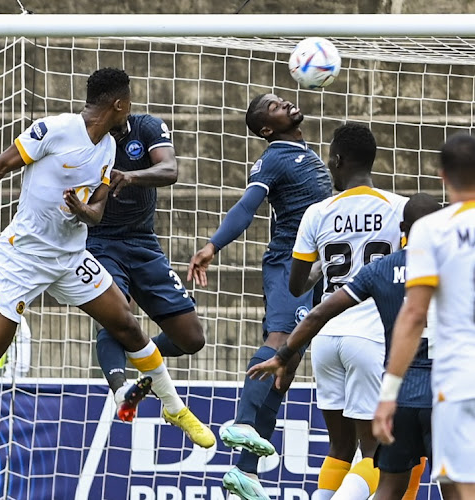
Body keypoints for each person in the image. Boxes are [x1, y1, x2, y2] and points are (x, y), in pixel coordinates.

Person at [0, 67, 215, 480]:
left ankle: (174, 408)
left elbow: (96, 212)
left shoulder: (110, 149)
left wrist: (84, 212)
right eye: (129, 100)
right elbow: (1, 165)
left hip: (71, 257)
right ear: (118, 104)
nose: (131, 107)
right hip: (23, 258)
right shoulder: (55, 129)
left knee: (128, 327)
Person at [248, 193, 441, 500]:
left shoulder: (380, 269)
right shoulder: (459, 265)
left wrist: (284, 354)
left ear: (402, 227)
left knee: (382, 478)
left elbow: (318, 311)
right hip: (443, 390)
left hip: (395, 391)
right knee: (456, 483)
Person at [187, 93, 332, 498]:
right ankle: (241, 421)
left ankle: (245, 472)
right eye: (273, 105)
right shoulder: (275, 156)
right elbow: (247, 207)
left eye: (280, 98)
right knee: (279, 344)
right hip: (291, 265)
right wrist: (212, 246)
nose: (283, 101)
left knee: (285, 371)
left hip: (318, 269)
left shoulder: (306, 152)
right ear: (266, 129)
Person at [286, 123, 408, 500]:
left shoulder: (317, 212)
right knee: (375, 453)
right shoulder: (399, 209)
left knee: (339, 449)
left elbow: (296, 286)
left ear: (337, 161)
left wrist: (324, 267)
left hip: (324, 336)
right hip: (371, 337)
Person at [373, 134, 475, 500]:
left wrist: (388, 395)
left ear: (442, 175)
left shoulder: (433, 230)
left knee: (462, 487)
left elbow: (414, 314)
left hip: (458, 381)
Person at [87, 112, 204, 421]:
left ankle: (134, 352)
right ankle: (120, 390)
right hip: (100, 242)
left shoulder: (146, 127)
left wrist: (131, 176)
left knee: (191, 339)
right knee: (117, 316)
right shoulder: (83, 137)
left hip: (143, 242)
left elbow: (169, 169)